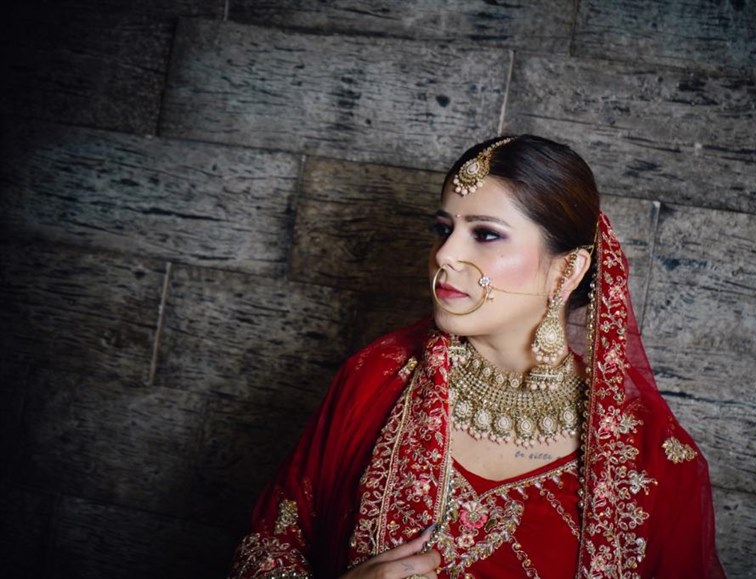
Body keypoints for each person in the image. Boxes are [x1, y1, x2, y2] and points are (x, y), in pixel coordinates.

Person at [228, 135, 725, 578]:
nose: (445, 254)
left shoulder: (653, 461)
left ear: (568, 270)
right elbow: (271, 548)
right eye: (442, 228)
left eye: (485, 234)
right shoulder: (376, 378)